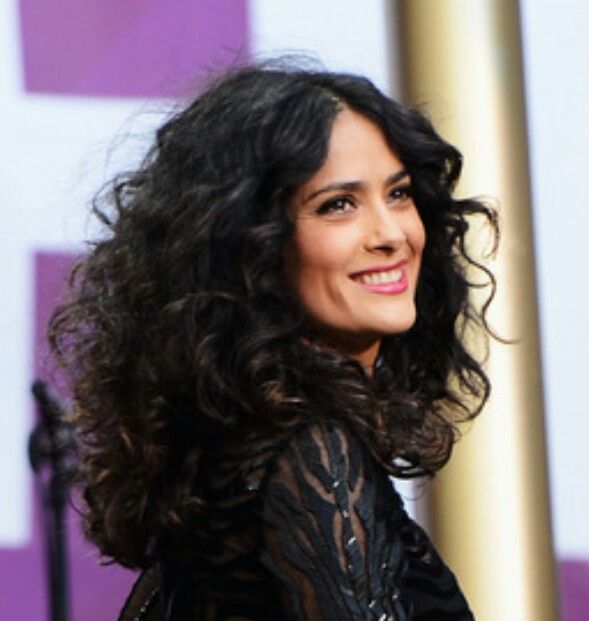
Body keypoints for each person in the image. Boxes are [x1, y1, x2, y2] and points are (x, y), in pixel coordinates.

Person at [49, 61, 497, 620]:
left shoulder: (233, 457)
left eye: (399, 193)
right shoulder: (310, 457)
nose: (391, 233)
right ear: (254, 247)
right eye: (338, 205)